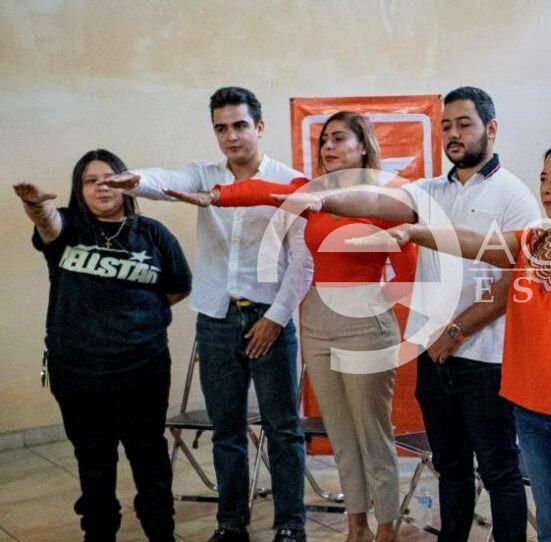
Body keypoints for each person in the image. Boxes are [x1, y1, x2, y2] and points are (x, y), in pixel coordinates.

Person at [275, 86, 539, 542]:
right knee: (450, 468)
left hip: (484, 358)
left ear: (491, 129)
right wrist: (324, 199)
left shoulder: (514, 195)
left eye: (464, 124)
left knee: (499, 471)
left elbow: (514, 282)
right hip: (433, 355)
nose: (453, 134)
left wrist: (454, 331)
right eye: (446, 126)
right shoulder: (428, 190)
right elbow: (376, 203)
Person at [349, 139, 551, 541]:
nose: (547, 188)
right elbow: (472, 240)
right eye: (544, 178)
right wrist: (414, 232)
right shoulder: (534, 243)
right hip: (530, 413)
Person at [166, 110, 416, 542]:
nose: (329, 147)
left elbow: (408, 275)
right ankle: (356, 525)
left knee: (371, 433)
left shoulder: (385, 200)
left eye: (340, 138)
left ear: (363, 146)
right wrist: (216, 196)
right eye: (324, 140)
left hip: (365, 324)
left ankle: (386, 528)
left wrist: (370, 303)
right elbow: (262, 191)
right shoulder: (310, 192)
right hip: (316, 320)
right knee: (340, 433)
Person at [99, 87, 313, 542]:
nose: (231, 136)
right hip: (216, 319)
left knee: (282, 430)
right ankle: (231, 524)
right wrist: (133, 179)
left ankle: (290, 525)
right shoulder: (203, 175)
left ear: (260, 126)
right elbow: (166, 181)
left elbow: (303, 261)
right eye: (221, 128)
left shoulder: (292, 182)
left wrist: (275, 319)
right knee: (226, 430)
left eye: (240, 125)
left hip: (270, 318)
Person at [14, 149, 192, 542]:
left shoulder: (153, 233)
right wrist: (36, 207)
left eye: (110, 178)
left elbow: (178, 288)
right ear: (79, 190)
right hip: (77, 372)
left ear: (126, 183)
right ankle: (99, 534)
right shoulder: (68, 228)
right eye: (91, 181)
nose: (102, 187)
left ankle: (160, 532)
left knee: (149, 457)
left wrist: (136, 320)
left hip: (143, 369)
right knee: (94, 461)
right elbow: (47, 223)